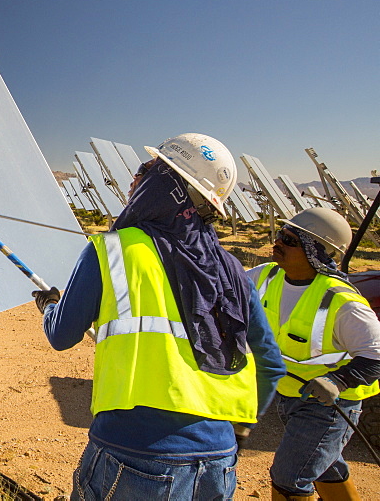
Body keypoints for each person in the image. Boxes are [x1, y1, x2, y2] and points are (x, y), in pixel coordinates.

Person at [35, 133, 285, 500]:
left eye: (145, 171)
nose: (134, 180)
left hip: (135, 454)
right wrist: (238, 432)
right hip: (218, 461)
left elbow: (61, 335)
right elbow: (270, 364)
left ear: (167, 185)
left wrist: (49, 307)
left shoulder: (113, 252)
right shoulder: (232, 271)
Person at [247, 208, 380, 501]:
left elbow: (376, 355)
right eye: (280, 235)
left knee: (290, 476)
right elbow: (225, 283)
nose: (278, 242)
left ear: (316, 251)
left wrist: (338, 380)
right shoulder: (269, 276)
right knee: (323, 464)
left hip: (331, 406)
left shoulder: (342, 301)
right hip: (291, 396)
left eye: (290, 240)